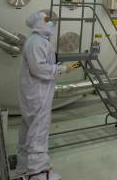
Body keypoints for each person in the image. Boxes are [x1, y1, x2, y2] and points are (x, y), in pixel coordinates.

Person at [16, 12, 80, 180]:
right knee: (38, 130)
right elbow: (39, 69)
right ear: (39, 23)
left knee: (29, 128)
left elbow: (42, 65)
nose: (51, 24)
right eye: (48, 21)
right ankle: (38, 173)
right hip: (38, 94)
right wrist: (62, 69)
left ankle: (23, 167)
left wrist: (58, 67)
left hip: (34, 92)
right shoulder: (36, 42)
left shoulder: (38, 41)